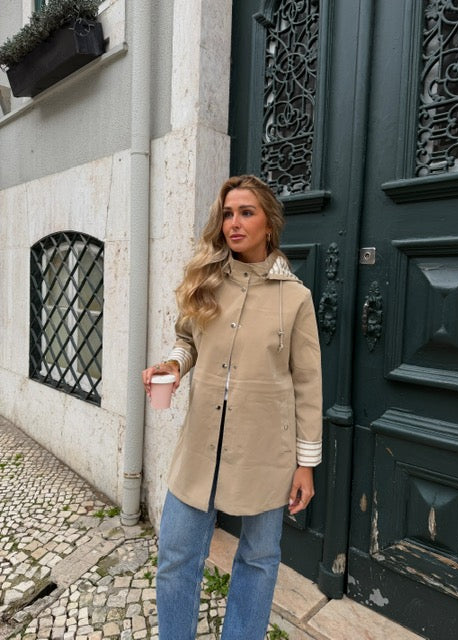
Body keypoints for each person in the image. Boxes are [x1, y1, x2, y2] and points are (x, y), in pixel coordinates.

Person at [143, 175, 323, 640]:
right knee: (176, 556)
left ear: (269, 224)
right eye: (227, 214)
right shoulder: (207, 282)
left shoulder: (296, 298)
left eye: (246, 212)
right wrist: (173, 365)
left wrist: (306, 465)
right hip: (200, 446)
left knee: (259, 560)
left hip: (267, 453)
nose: (234, 223)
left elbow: (308, 383)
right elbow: (187, 341)